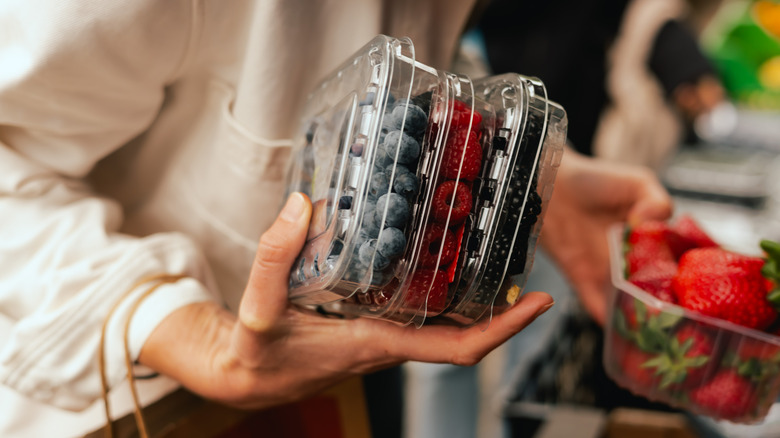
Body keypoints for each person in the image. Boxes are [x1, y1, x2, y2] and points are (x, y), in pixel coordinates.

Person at [0, 1, 672, 436]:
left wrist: (513, 173)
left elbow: (387, 67)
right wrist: (188, 331)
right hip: (126, 403)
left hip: (337, 367)